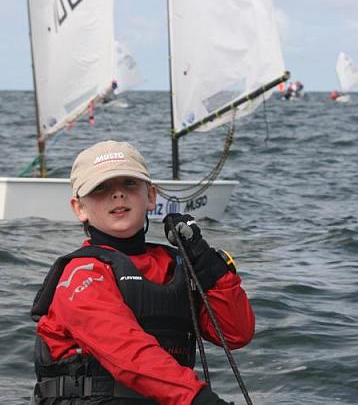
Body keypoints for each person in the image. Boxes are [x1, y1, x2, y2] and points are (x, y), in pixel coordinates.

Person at [29, 140, 255, 404]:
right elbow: (127, 350)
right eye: (101, 188)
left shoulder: (174, 265)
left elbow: (235, 333)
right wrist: (199, 400)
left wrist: (208, 265)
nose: (118, 194)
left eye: (129, 183)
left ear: (151, 197)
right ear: (80, 208)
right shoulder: (82, 274)